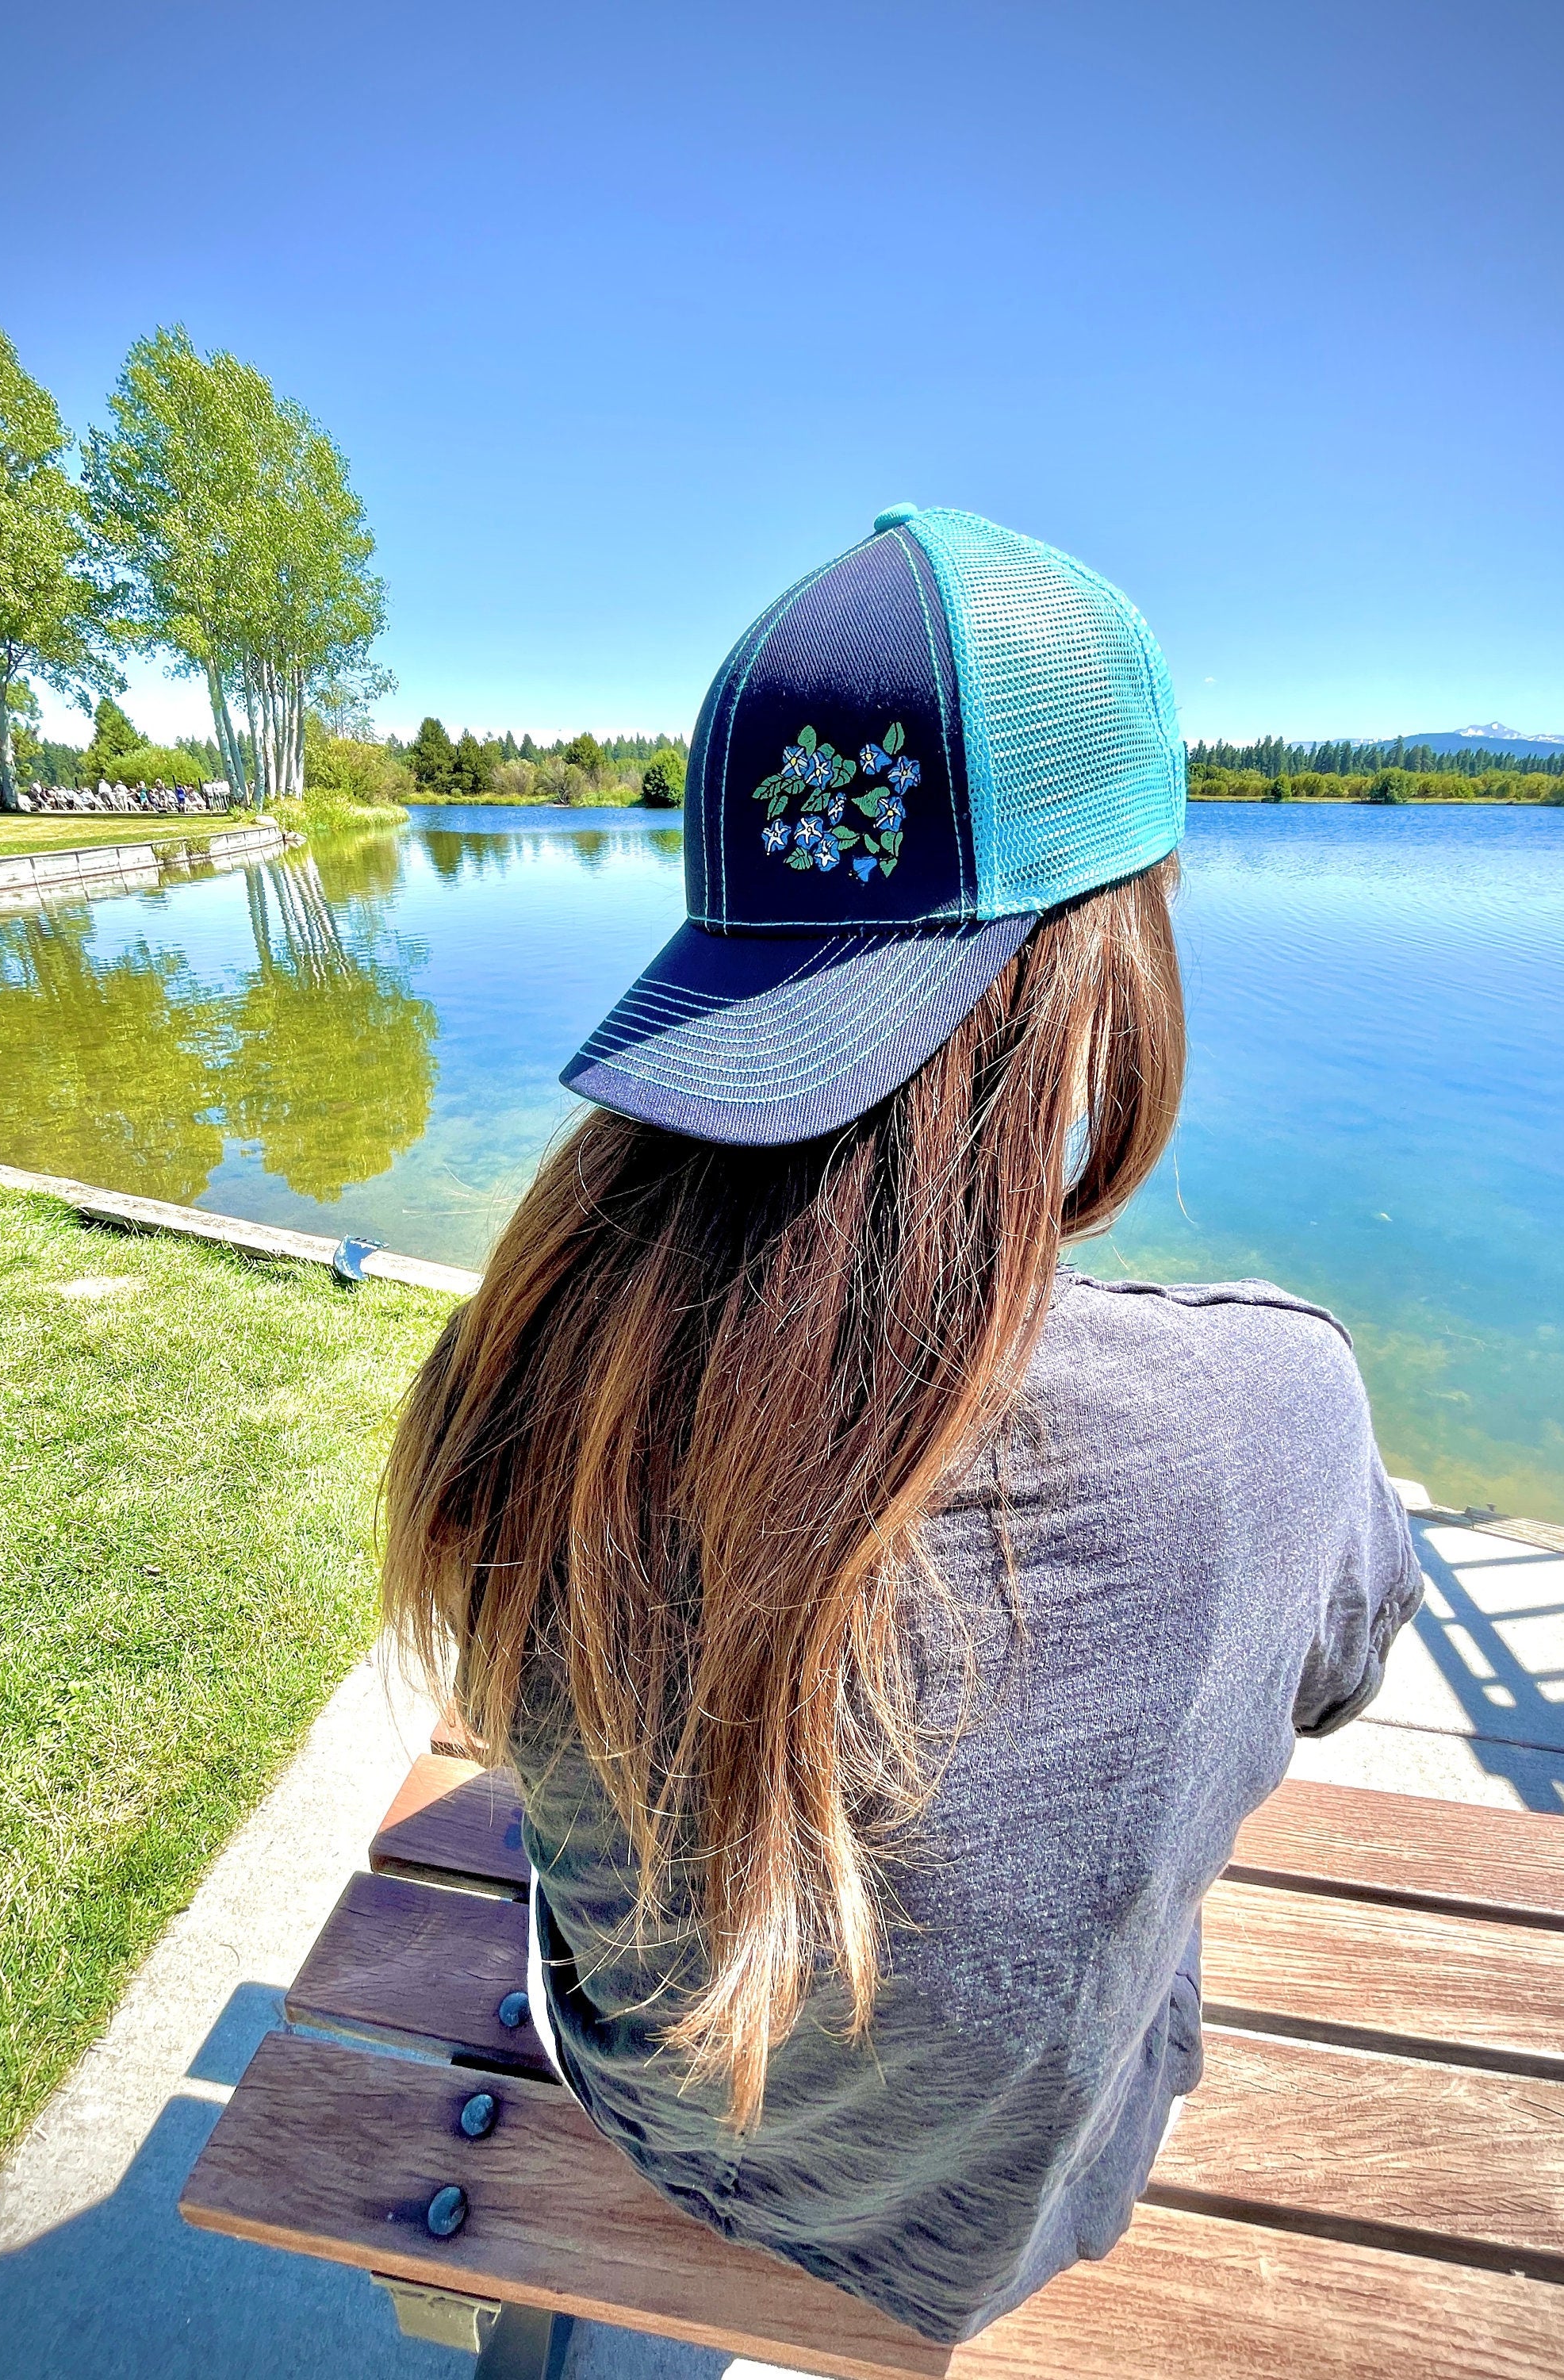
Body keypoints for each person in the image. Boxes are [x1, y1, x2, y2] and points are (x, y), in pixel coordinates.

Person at [381, 506, 1421, 2353]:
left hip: (654, 2121)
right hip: (1008, 2228)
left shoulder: (517, 1360)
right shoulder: (1273, 1408)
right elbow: (1332, 1683)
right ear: (1113, 962)